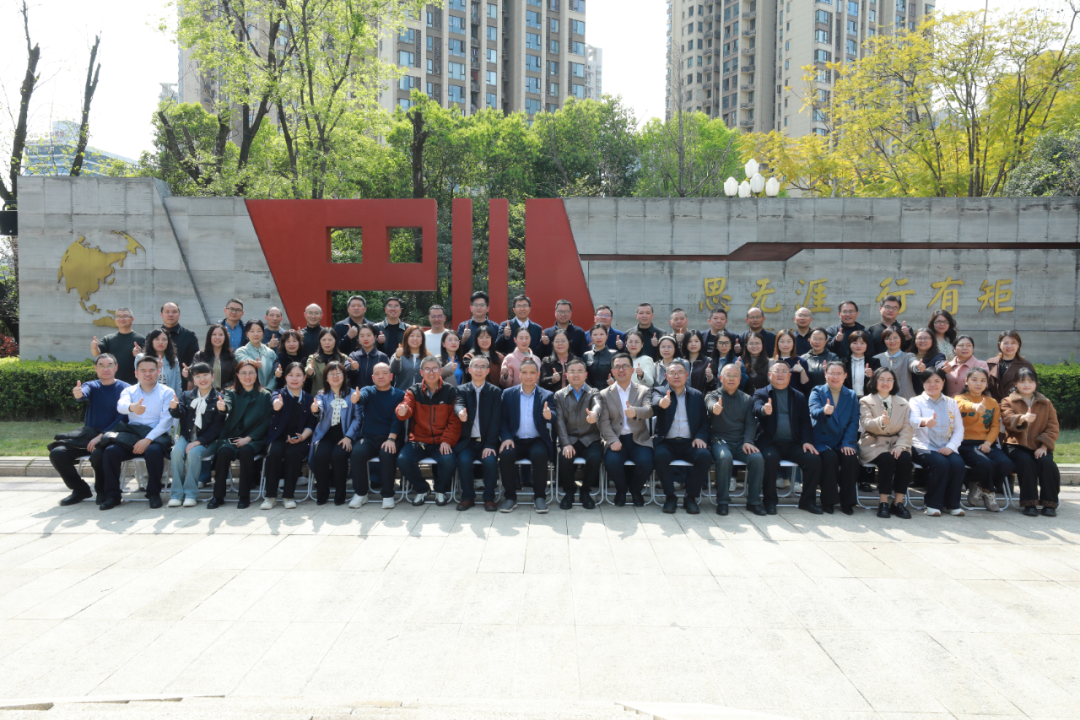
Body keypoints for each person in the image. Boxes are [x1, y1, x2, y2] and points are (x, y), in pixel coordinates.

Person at [99, 356, 177, 510]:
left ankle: (153, 493)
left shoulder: (167, 392)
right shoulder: (129, 391)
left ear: (158, 372)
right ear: (136, 373)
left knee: (154, 451)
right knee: (111, 451)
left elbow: (166, 422)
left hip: (157, 435)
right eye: (143, 370)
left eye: (151, 370)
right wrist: (132, 407)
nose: (147, 374)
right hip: (133, 434)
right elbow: (121, 406)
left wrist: (147, 440)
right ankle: (113, 496)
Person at [51, 355, 128, 506]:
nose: (106, 368)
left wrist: (102, 435)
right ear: (96, 368)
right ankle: (80, 489)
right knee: (57, 453)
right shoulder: (91, 385)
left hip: (112, 436)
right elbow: (82, 393)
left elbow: (123, 418)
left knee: (98, 455)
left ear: (116, 367)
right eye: (101, 365)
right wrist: (78, 393)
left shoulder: (126, 388)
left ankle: (103, 491)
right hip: (89, 435)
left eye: (109, 365)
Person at [753, 362, 822, 515]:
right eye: (776, 371)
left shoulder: (798, 396)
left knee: (814, 460)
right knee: (770, 460)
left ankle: (807, 501)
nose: (780, 374)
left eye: (784, 371)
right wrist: (763, 410)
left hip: (794, 443)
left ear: (790, 376)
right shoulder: (761, 393)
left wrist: (807, 441)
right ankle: (770, 501)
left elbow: (805, 421)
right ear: (769, 375)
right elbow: (755, 408)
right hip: (770, 443)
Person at [396, 355, 462, 506]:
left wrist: (447, 440)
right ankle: (422, 489)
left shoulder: (450, 391)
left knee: (449, 460)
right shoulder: (413, 391)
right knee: (403, 459)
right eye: (427, 369)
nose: (431, 372)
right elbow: (406, 407)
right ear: (421, 372)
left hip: (441, 440)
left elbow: (455, 421)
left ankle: (440, 490)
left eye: (434, 369)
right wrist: (402, 410)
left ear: (440, 371)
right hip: (418, 440)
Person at [207, 359, 272, 509]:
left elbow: (266, 422)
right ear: (237, 375)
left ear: (256, 374)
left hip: (254, 439)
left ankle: (244, 495)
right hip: (232, 437)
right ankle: (218, 496)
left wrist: (249, 438)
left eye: (251, 373)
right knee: (223, 453)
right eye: (243, 373)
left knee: (246, 452)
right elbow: (227, 405)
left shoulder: (265, 395)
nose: (247, 376)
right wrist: (223, 408)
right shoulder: (231, 392)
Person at [594, 353, 655, 507]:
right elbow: (603, 422)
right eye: (617, 367)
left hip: (638, 438)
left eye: (625, 366)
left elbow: (649, 410)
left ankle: (635, 490)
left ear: (632, 370)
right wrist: (612, 440)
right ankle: (621, 491)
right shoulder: (604, 394)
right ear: (612, 371)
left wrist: (635, 412)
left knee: (647, 462)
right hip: (617, 438)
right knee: (612, 462)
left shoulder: (643, 390)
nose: (621, 369)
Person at [651, 362, 711, 515]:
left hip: (689, 442)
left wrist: (700, 437)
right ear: (666, 376)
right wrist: (661, 402)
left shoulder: (696, 395)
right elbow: (654, 401)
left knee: (704, 456)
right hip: (666, 441)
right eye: (672, 373)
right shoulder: (659, 391)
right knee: (660, 456)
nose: (676, 375)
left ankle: (690, 497)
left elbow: (704, 421)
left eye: (680, 372)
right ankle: (670, 496)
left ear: (686, 375)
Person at [498, 358, 556, 513]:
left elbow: (554, 415)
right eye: (524, 372)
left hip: (537, 440)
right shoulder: (508, 394)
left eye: (532, 372)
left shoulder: (547, 395)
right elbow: (502, 420)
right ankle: (510, 497)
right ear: (519, 374)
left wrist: (549, 415)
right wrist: (506, 437)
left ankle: (539, 497)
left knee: (540, 455)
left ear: (538, 375)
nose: (528, 376)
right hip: (514, 439)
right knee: (506, 455)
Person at [1001, 368, 1060, 517]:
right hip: (1015, 446)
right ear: (1015, 383)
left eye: (1030, 381)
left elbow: (1053, 427)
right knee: (1026, 461)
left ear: (1036, 383)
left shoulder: (1046, 403)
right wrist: (1022, 418)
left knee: (1046, 462)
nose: (1026, 385)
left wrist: (1044, 446)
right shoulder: (1008, 401)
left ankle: (1050, 504)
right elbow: (1007, 419)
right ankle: (1029, 503)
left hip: (1040, 446)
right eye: (1022, 381)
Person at [706, 364, 764, 516]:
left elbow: (751, 424)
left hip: (741, 442)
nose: (731, 379)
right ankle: (723, 501)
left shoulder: (747, 399)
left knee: (757, 458)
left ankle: (754, 502)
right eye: (728, 375)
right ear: (721, 378)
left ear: (740, 379)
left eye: (735, 376)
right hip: (720, 441)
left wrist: (748, 441)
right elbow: (710, 404)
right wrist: (714, 408)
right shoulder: (712, 395)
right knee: (724, 458)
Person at [858, 367, 915, 519]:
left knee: (905, 458)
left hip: (896, 442)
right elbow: (866, 423)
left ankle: (898, 502)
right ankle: (883, 502)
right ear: (874, 381)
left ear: (894, 382)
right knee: (887, 459)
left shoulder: (903, 403)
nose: (885, 382)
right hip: (873, 442)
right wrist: (879, 421)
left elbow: (907, 428)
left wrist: (901, 446)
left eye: (889, 379)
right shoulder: (865, 401)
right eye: (881, 379)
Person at [909, 368, 966, 517]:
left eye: (936, 381)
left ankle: (952, 504)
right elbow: (912, 420)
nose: (932, 384)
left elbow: (959, 429)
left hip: (946, 447)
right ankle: (932, 504)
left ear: (943, 382)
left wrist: (951, 447)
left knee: (958, 464)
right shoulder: (916, 401)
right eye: (928, 381)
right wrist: (925, 421)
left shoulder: (951, 403)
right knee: (940, 464)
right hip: (922, 446)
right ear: (923, 383)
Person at [955, 368, 1013, 513]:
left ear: (987, 384)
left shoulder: (992, 402)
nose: (978, 383)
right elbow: (962, 406)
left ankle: (980, 487)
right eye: (974, 379)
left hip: (987, 443)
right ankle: (989, 492)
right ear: (966, 381)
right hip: (965, 443)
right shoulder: (958, 399)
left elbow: (995, 426)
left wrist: (987, 443)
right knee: (985, 464)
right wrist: (975, 406)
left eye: (983, 380)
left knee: (1006, 464)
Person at [348, 362, 405, 509]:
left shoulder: (399, 394)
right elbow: (362, 397)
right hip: (369, 437)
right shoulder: (368, 390)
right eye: (377, 373)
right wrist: (357, 398)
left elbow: (397, 419)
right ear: (372, 377)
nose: (381, 376)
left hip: (391, 437)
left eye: (384, 373)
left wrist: (391, 439)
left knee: (387, 453)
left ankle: (387, 495)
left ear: (391, 376)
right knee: (357, 453)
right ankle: (361, 493)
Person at [261, 362, 317, 510]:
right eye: (291, 375)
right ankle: (270, 497)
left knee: (294, 454)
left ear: (304, 378)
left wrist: (303, 437)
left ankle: (288, 496)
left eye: (298, 375)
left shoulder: (309, 399)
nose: (294, 378)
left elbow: (312, 423)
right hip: (279, 436)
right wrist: (277, 404)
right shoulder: (278, 394)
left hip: (300, 437)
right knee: (274, 453)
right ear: (285, 377)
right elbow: (274, 400)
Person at [168, 362, 224, 507]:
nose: (202, 379)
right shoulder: (186, 396)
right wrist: (174, 408)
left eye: (205, 375)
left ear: (212, 376)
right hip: (187, 437)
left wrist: (199, 441)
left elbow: (217, 427)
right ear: (193, 380)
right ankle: (176, 494)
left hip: (208, 441)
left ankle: (190, 493)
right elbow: (179, 413)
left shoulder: (219, 398)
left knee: (193, 453)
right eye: (198, 376)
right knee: (176, 452)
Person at [808, 361, 860, 515]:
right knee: (830, 458)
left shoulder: (851, 395)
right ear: (826, 374)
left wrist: (848, 443)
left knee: (851, 458)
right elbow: (813, 411)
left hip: (842, 441)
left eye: (839, 374)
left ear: (845, 376)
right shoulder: (817, 391)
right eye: (831, 373)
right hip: (822, 441)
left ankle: (847, 502)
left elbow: (853, 421)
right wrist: (824, 411)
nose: (835, 377)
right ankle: (828, 501)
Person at [453, 355, 502, 511]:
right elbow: (458, 404)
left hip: (487, 441)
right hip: (467, 442)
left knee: (490, 462)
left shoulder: (495, 392)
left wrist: (490, 444)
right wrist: (460, 412)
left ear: (488, 371)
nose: (478, 370)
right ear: (469, 369)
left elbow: (496, 421)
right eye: (475, 366)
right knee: (464, 461)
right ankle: (467, 497)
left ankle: (489, 498)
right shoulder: (461, 390)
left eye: (482, 367)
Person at [310, 362, 362, 506]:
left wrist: (349, 437)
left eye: (338, 373)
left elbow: (358, 418)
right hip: (326, 434)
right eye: (331, 374)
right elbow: (319, 407)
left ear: (344, 376)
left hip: (345, 434)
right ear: (326, 378)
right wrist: (315, 409)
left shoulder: (353, 394)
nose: (335, 376)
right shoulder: (322, 394)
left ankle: (340, 495)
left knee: (338, 456)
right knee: (320, 456)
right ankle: (322, 493)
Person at [554, 359, 602, 510]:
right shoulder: (559, 395)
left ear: (586, 375)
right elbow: (559, 421)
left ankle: (585, 491)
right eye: (572, 371)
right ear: (566, 375)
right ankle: (569, 491)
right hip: (570, 438)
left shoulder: (593, 392)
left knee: (595, 457)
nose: (576, 375)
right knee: (565, 457)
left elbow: (598, 404)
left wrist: (594, 413)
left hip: (590, 438)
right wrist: (565, 443)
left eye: (580, 371)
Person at [91, 307, 145, 384]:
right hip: (113, 383)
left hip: (134, 383)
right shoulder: (108, 339)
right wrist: (94, 347)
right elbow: (97, 353)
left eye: (125, 316)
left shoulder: (141, 340)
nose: (121, 319)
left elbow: (147, 360)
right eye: (118, 316)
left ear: (132, 319)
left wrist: (139, 354)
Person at [986, 330, 1036, 403]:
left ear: (1018, 345)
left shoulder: (1026, 365)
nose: (1009, 346)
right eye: (1005, 343)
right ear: (999, 345)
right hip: (992, 406)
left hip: (1017, 406)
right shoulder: (989, 364)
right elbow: (984, 387)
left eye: (1013, 343)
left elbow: (1032, 389)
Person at [874, 328, 923, 399]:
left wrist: (917, 366)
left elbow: (913, 363)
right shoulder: (877, 358)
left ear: (901, 339)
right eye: (888, 338)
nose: (892, 341)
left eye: (895, 338)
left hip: (907, 399)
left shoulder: (908, 356)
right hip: (885, 399)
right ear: (883, 340)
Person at [136, 328, 183, 398]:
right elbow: (141, 380)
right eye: (157, 339)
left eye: (164, 339)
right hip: (147, 398)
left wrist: (178, 402)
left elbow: (177, 384)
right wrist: (154, 367)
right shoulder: (141, 358)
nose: (161, 342)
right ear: (151, 341)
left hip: (168, 399)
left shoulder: (173, 360)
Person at [234, 319, 278, 391]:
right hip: (248, 392)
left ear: (263, 333)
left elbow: (275, 375)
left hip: (268, 393)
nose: (256, 334)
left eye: (259, 331)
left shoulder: (271, 353)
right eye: (252, 331)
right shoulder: (241, 351)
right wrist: (253, 363)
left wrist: (268, 389)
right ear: (247, 334)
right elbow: (245, 360)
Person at [190, 325, 236, 390]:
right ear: (209, 337)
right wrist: (187, 371)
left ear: (225, 337)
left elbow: (235, 378)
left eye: (221, 335)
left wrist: (224, 390)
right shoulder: (200, 355)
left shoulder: (231, 357)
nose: (217, 337)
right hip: (204, 392)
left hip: (225, 393)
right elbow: (193, 373)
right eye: (214, 334)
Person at [305, 328, 349, 395]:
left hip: (340, 396)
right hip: (319, 396)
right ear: (320, 341)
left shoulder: (343, 358)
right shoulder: (313, 358)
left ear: (335, 341)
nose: (327, 342)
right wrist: (309, 371)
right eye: (324, 340)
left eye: (330, 340)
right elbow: (308, 368)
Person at [346, 324, 390, 391]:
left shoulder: (382, 357)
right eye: (362, 336)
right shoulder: (354, 356)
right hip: (356, 394)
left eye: (369, 335)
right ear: (358, 338)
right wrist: (351, 367)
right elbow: (345, 374)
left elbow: (389, 378)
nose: (365, 338)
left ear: (375, 337)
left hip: (377, 394)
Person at [160, 302, 200, 369]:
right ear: (161, 315)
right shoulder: (153, 336)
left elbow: (195, 361)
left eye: (174, 312)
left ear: (179, 315)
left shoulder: (189, 336)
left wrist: (188, 371)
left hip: (182, 375)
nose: (170, 315)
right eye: (167, 312)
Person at [842, 330, 880, 398]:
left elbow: (880, 380)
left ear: (867, 345)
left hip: (869, 398)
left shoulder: (874, 362)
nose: (858, 346)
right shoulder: (843, 362)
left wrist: (873, 375)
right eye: (855, 343)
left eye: (862, 343)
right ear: (849, 345)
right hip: (847, 398)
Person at [389, 325, 428, 390]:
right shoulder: (398, 354)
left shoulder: (427, 357)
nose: (415, 338)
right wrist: (397, 357)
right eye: (412, 336)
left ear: (422, 339)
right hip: (402, 394)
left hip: (422, 394)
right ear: (406, 338)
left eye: (418, 336)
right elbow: (393, 370)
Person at [910, 328, 946, 397]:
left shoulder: (938, 356)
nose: (923, 341)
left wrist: (944, 366)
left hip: (932, 395)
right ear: (914, 340)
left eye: (926, 338)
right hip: (910, 396)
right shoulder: (908, 356)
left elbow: (940, 363)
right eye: (919, 338)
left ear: (933, 340)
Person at [773, 329, 811, 394]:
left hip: (795, 397)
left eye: (789, 341)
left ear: (793, 343)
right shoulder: (772, 362)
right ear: (777, 343)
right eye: (782, 341)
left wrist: (802, 371)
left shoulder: (800, 361)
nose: (785, 345)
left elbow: (806, 388)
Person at [540, 328, 576, 394]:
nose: (560, 343)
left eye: (563, 341)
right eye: (557, 341)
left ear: (569, 342)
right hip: (553, 397)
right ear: (552, 343)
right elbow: (542, 382)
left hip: (574, 397)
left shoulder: (577, 361)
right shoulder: (547, 361)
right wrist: (552, 379)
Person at [583, 324, 615, 389]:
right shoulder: (586, 355)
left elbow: (619, 373)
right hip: (590, 391)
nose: (598, 337)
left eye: (601, 334)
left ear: (607, 336)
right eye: (595, 335)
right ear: (591, 337)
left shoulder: (614, 354)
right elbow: (583, 375)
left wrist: (614, 380)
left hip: (609, 390)